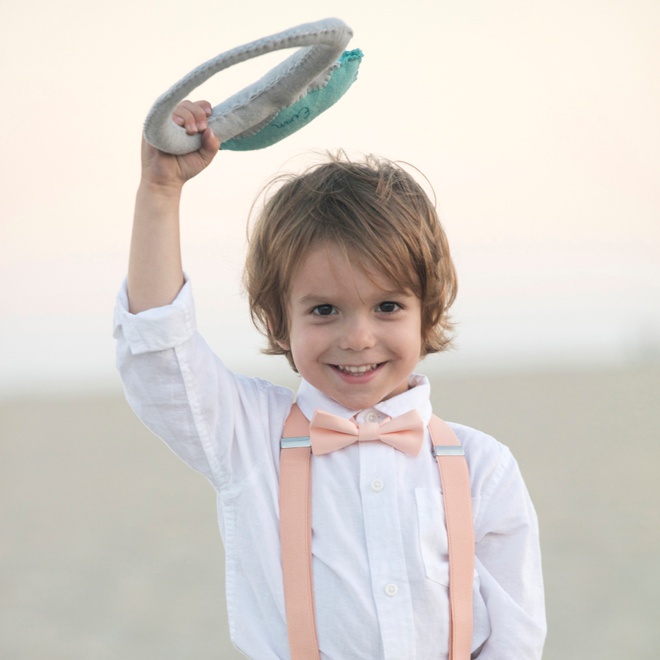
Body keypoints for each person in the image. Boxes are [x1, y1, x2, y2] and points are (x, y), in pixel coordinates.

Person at [114, 99, 546, 658]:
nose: (358, 337)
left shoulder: (485, 467)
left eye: (388, 306)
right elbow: (159, 356)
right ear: (279, 320)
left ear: (429, 313)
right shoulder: (249, 437)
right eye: (324, 310)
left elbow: (516, 637)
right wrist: (160, 192)